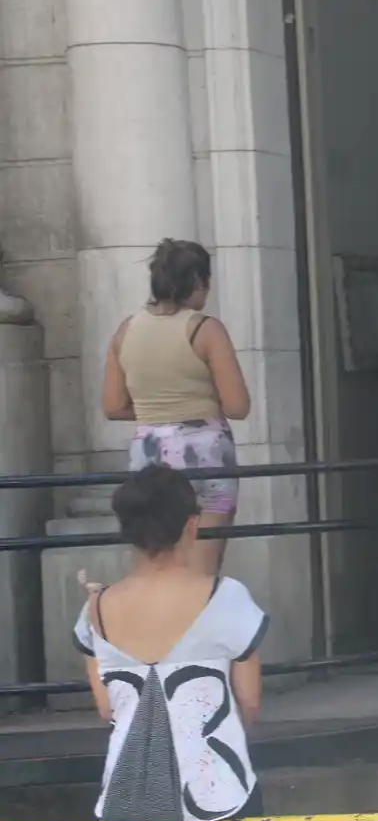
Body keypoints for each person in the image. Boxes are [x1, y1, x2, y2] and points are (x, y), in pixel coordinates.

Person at [75, 465, 268, 821]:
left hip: (137, 790)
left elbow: (107, 708)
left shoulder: (96, 610)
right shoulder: (226, 595)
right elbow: (249, 701)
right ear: (192, 524)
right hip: (218, 784)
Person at [101, 239, 250, 577]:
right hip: (206, 451)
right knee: (203, 567)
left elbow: (113, 406)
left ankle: (157, 628)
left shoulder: (125, 331)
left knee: (154, 564)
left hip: (149, 454)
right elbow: (238, 406)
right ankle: (198, 625)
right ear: (197, 281)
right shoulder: (205, 329)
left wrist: (158, 412)